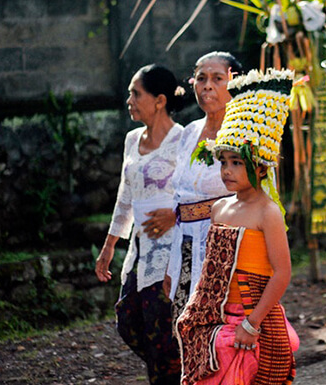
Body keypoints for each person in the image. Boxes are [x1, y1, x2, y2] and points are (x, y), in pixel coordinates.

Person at [177, 68, 298, 385]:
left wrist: (252, 323)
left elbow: (282, 272)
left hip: (253, 319)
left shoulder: (268, 212)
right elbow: (211, 273)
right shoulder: (220, 208)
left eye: (237, 163)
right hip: (219, 320)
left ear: (259, 167)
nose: (227, 171)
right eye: (223, 162)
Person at [94, 64, 186, 385]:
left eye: (136, 93)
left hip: (171, 248)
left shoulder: (183, 139)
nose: (129, 99)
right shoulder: (132, 139)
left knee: (159, 326)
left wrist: (173, 213)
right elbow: (125, 195)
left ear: (159, 100)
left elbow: (194, 192)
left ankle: (173, 375)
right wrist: (109, 246)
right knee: (128, 321)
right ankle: (180, 370)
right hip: (140, 247)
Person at [162, 52, 242, 315]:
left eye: (217, 78)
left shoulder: (245, 134)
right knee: (184, 331)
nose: (207, 85)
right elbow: (179, 201)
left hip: (227, 250)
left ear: (235, 82)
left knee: (219, 335)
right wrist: (171, 265)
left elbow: (261, 198)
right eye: (201, 78)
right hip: (185, 247)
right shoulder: (189, 133)